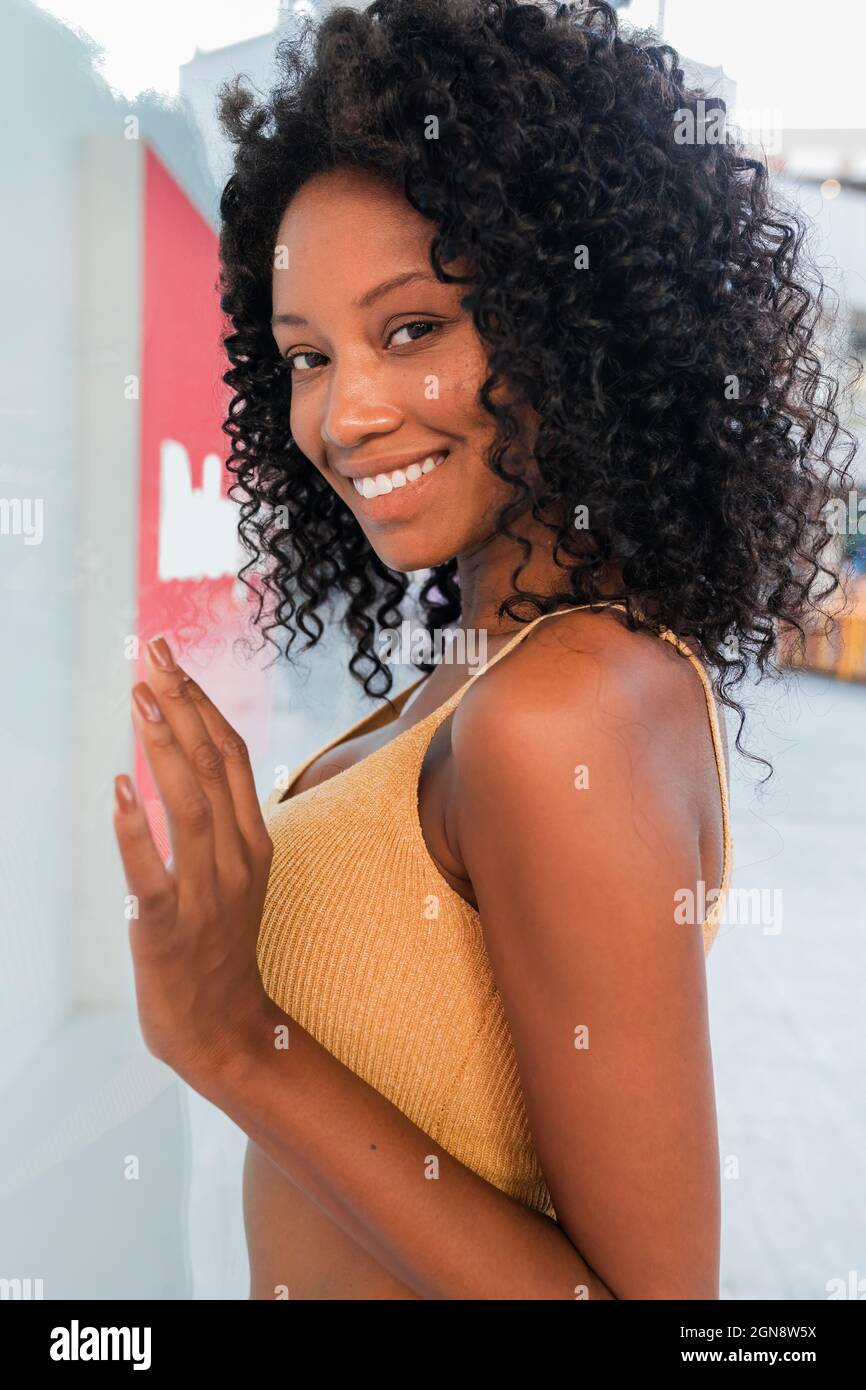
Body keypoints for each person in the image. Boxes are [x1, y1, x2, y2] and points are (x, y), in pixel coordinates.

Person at [112, 0, 854, 1300]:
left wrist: (236, 1039)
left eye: (411, 330)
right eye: (304, 355)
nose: (344, 411)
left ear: (578, 321)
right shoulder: (498, 667)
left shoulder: (559, 715)